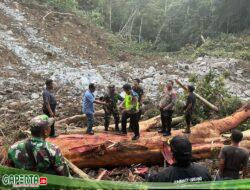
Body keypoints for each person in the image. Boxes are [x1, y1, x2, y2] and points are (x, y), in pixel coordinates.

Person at [147, 136, 212, 183]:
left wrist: (146, 175)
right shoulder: (204, 172)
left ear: (172, 154)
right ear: (190, 153)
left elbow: (152, 180)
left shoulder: (164, 176)